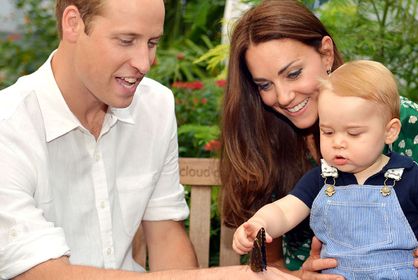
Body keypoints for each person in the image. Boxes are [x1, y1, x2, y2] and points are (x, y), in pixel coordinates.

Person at [0, 1, 298, 279]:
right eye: (126, 41)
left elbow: (165, 232)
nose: (145, 62)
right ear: (73, 23)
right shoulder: (9, 124)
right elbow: (38, 272)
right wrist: (219, 276)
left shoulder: (155, 105)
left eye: (152, 42)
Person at [220, 0, 418, 279]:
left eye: (293, 73)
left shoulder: (401, 121)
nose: (282, 97)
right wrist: (301, 276)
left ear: (326, 54)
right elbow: (269, 255)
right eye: (264, 85)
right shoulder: (263, 134)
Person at [232, 60, 418, 280]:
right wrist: (260, 223)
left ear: (390, 131)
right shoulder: (322, 179)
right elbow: (284, 212)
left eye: (353, 133)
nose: (338, 142)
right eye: (327, 132)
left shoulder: (408, 176)